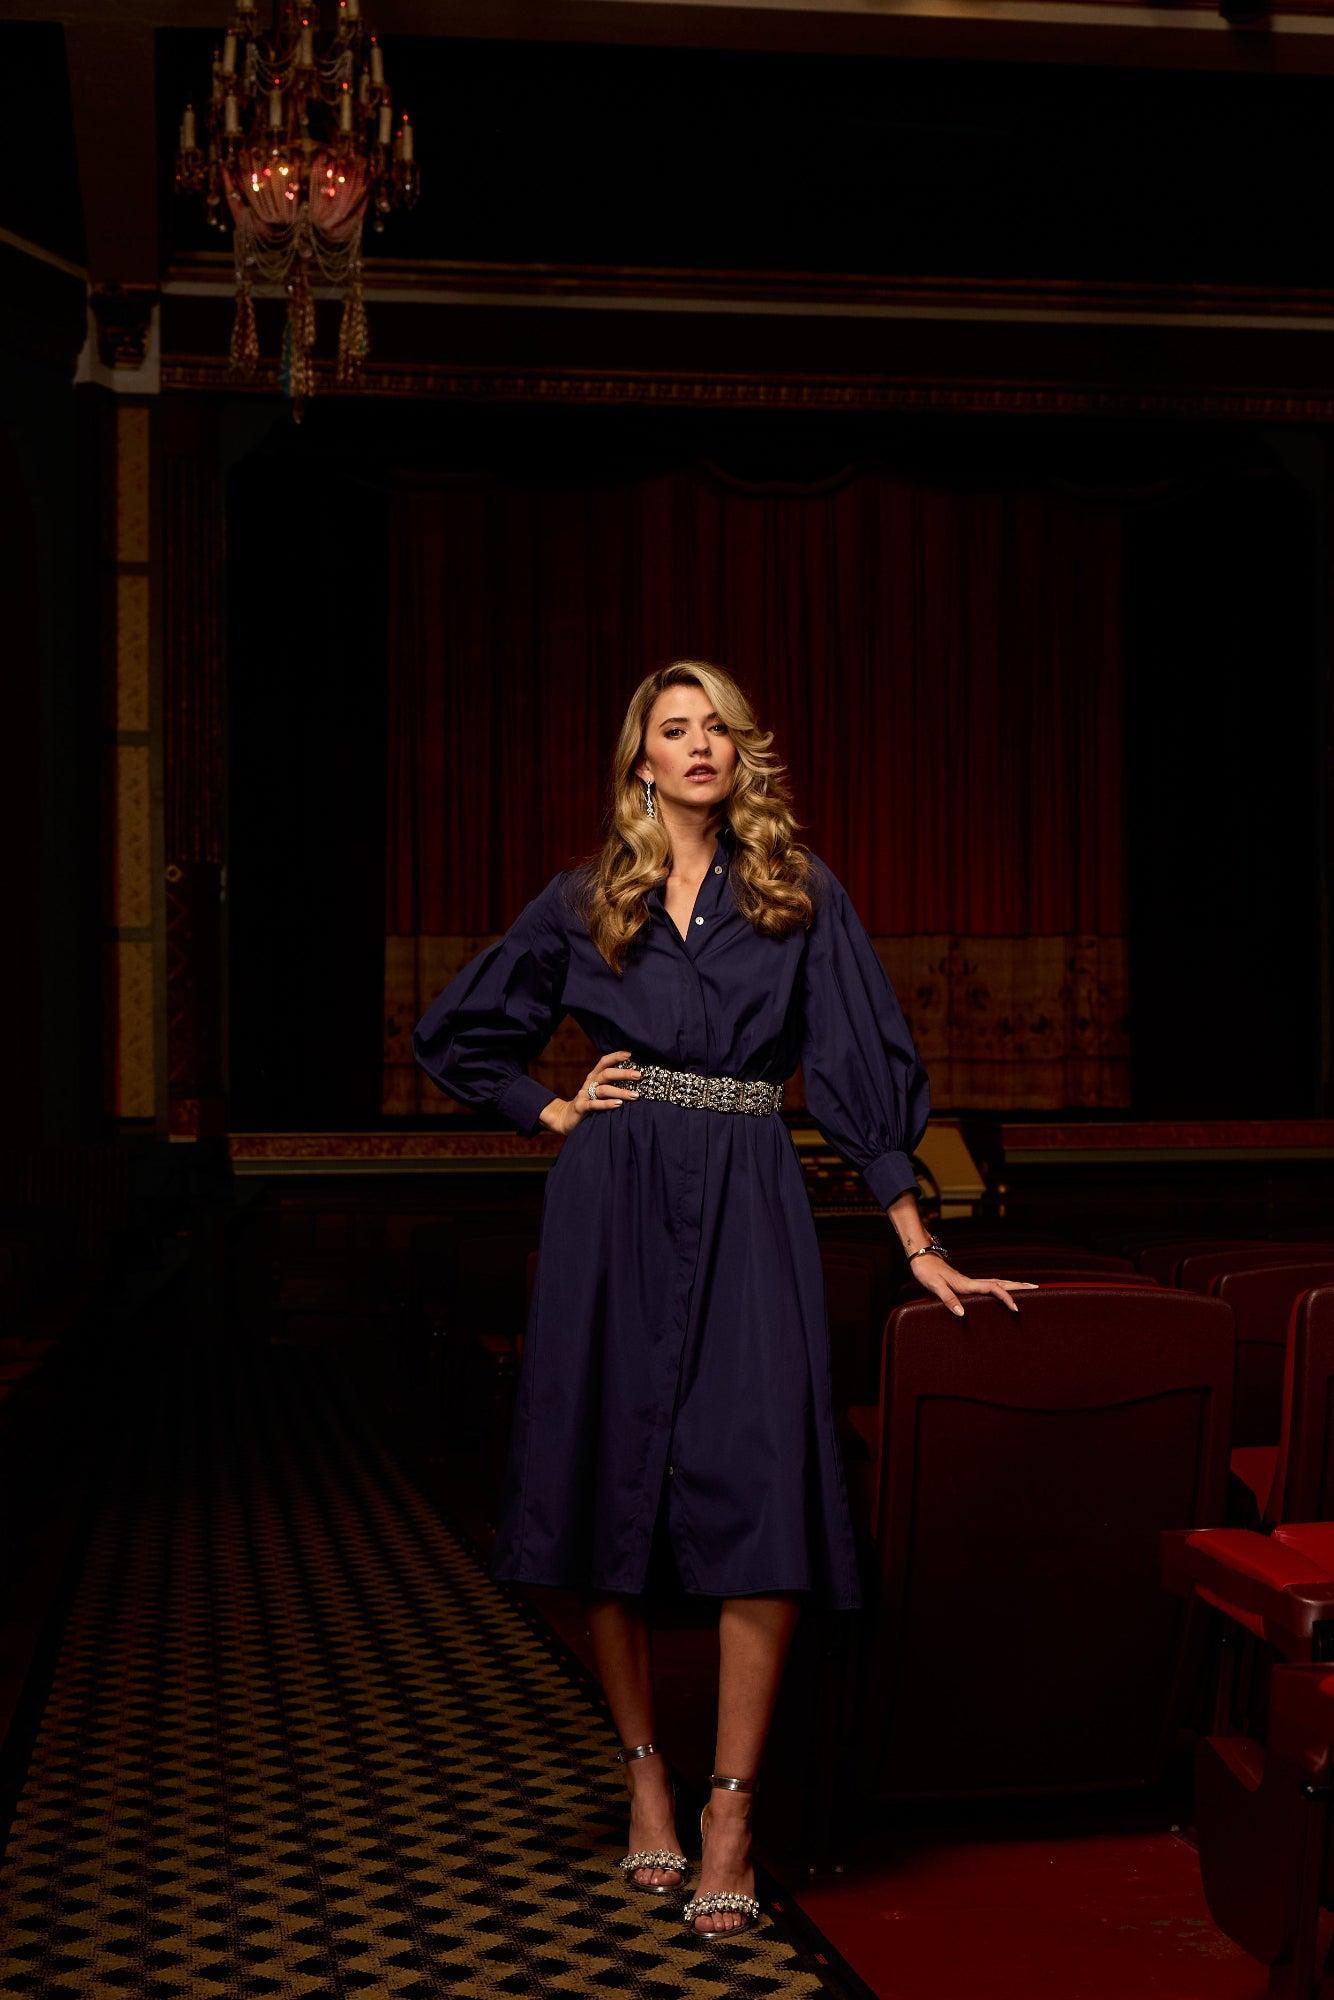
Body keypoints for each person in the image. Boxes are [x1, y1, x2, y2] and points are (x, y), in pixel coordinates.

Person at [412, 660, 1036, 1940]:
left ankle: (732, 1806)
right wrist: (547, 1105)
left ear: (744, 755)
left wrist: (915, 1237)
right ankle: (645, 1772)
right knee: (601, 1477)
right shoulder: (585, 898)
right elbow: (458, 1032)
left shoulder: (797, 897)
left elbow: (860, 1066)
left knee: (763, 1484)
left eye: (720, 730)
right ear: (640, 757)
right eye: (673, 727)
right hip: (610, 1198)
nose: (699, 746)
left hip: (754, 1196)